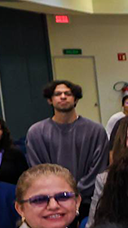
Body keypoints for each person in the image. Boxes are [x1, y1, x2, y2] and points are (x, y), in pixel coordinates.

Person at [26, 80, 109, 215]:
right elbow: (37, 170)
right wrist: (59, 195)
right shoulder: (36, 132)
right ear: (50, 100)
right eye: (58, 94)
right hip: (51, 203)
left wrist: (73, 194)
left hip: (89, 202)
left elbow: (98, 169)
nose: (63, 97)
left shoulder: (95, 131)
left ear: (75, 99)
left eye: (68, 94)